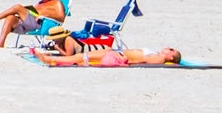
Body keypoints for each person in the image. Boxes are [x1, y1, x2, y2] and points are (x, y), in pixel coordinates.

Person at [29, 45, 182, 66]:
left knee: (82, 57)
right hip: (117, 52)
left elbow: (144, 60)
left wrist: (127, 61)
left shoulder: (159, 58)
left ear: (170, 58)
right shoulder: (158, 54)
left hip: (118, 55)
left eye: (171, 50)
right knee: (82, 56)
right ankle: (52, 59)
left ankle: (51, 59)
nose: (168, 48)